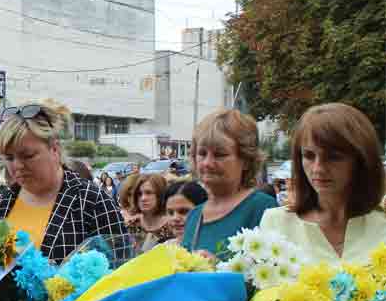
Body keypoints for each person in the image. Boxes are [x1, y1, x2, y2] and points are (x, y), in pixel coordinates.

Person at [0, 100, 130, 264]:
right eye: (9, 158)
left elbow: (121, 274)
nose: (17, 166)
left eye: (28, 155)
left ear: (55, 149)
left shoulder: (92, 201)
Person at [260, 103, 386, 265]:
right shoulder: (276, 224)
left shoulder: (381, 222)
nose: (318, 168)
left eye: (333, 157)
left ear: (361, 160)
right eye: (309, 156)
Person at [182, 109, 277, 257]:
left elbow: (273, 274)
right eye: (202, 153)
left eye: (220, 154)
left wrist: (218, 270)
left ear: (245, 160)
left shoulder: (264, 209)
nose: (207, 163)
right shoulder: (194, 215)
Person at [127, 173, 173, 252]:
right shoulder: (132, 224)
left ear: (160, 194)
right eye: (139, 194)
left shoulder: (172, 225)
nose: (143, 198)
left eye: (149, 193)